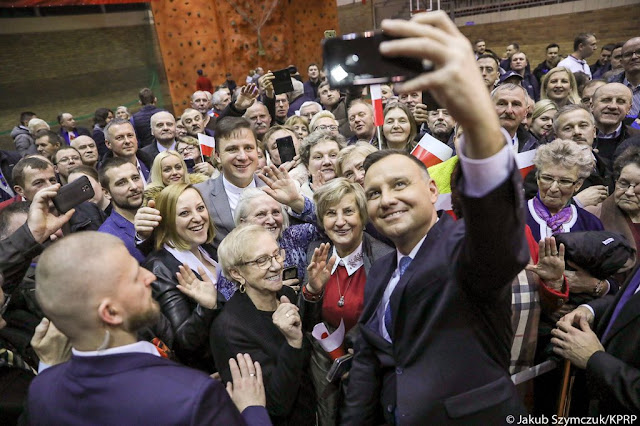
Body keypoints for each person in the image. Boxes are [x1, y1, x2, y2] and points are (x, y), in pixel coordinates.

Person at [342, 11, 529, 424]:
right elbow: (369, 364)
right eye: (373, 193)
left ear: (432, 192)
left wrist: (478, 117)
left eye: (400, 185)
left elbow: (497, 232)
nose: (386, 199)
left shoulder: (464, 248)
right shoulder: (380, 268)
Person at [26, 231, 270, 425]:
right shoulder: (193, 397)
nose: (150, 277)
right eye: (134, 277)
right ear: (110, 313)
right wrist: (253, 409)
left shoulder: (42, 389)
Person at [301, 179, 393, 425]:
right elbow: (309, 324)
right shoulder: (315, 253)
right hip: (325, 373)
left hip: (373, 372)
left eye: (348, 211)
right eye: (331, 213)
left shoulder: (385, 258)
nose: (340, 221)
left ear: (363, 217)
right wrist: (312, 289)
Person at [212, 224, 316, 425]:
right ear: (237, 273)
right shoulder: (230, 330)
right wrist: (292, 343)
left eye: (277, 254)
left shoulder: (285, 295)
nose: (277, 266)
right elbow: (275, 405)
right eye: (262, 260)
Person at [143, 184, 220, 371]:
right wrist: (206, 307)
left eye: (200, 208)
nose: (197, 218)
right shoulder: (159, 267)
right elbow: (183, 342)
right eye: (184, 213)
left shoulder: (207, 247)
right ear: (168, 221)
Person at [526, 139, 604, 241]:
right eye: (547, 178)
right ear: (537, 178)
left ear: (578, 185)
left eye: (564, 181)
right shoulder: (514, 216)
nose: (553, 188)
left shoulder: (590, 224)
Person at [97, 157, 146, 263]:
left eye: (135, 178)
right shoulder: (108, 239)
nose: (133, 186)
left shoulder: (157, 215)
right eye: (122, 183)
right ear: (106, 193)